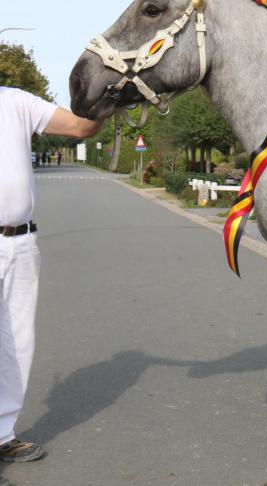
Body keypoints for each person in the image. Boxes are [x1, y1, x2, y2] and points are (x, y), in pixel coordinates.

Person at [0, 86, 103, 463]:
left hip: (21, 240)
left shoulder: (14, 101)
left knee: (17, 344)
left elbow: (80, 128)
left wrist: (111, 96)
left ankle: (2, 432)